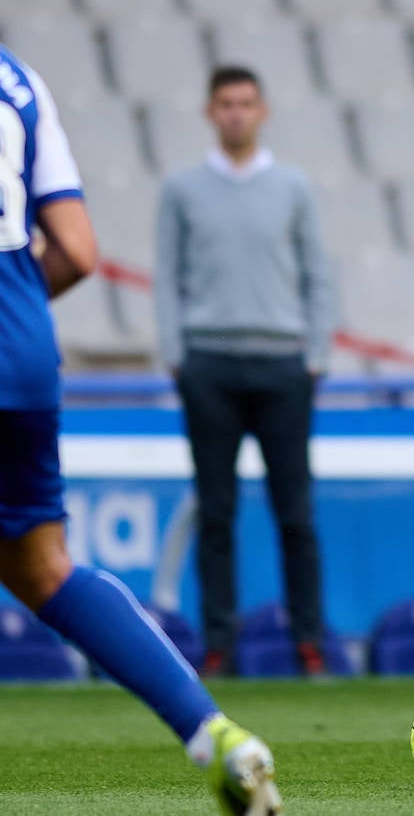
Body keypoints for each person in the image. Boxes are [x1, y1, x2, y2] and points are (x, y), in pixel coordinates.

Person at [0, 44, 281, 813]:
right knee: (44, 568)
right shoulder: (20, 79)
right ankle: (214, 734)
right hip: (21, 350)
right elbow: (80, 251)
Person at [154, 65, 335, 677]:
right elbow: (168, 280)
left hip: (282, 363)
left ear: (261, 111)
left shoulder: (292, 188)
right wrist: (177, 355)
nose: (235, 113)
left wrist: (314, 356)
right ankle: (218, 648)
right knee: (215, 513)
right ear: (211, 111)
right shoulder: (182, 190)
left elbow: (318, 274)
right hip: (209, 363)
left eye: (245, 103)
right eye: (225, 103)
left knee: (295, 514)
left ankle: (309, 645)